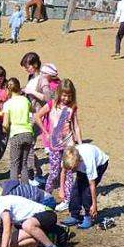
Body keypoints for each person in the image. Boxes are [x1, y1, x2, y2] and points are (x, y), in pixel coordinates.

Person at [35, 79, 82, 212]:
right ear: (59, 93)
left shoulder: (72, 107)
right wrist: (45, 132)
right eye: (64, 95)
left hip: (68, 143)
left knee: (68, 172)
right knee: (54, 172)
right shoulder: (51, 104)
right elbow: (38, 116)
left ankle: (66, 199)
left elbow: (76, 126)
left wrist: (80, 144)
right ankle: (46, 196)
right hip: (55, 145)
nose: (66, 98)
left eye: (69, 96)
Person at [21, 52, 52, 184]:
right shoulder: (31, 77)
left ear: (34, 65)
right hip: (29, 113)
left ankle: (34, 174)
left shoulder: (43, 79)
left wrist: (31, 92)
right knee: (28, 144)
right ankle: (36, 172)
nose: (26, 69)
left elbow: (48, 98)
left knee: (28, 144)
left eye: (27, 66)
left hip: (38, 115)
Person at [61, 144, 109, 229]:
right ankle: (74, 215)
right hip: (82, 164)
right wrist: (62, 189)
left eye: (73, 169)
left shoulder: (88, 163)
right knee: (76, 190)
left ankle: (88, 217)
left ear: (77, 163)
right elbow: (63, 172)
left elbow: (92, 185)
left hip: (100, 164)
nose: (71, 172)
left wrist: (94, 205)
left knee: (86, 192)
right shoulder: (68, 156)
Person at [2, 78, 34, 184]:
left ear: (8, 89)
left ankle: (14, 188)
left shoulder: (8, 104)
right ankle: (25, 188)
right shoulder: (25, 100)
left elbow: (5, 124)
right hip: (28, 133)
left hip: (16, 134)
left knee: (14, 164)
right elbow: (32, 110)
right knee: (24, 163)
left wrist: (5, 130)